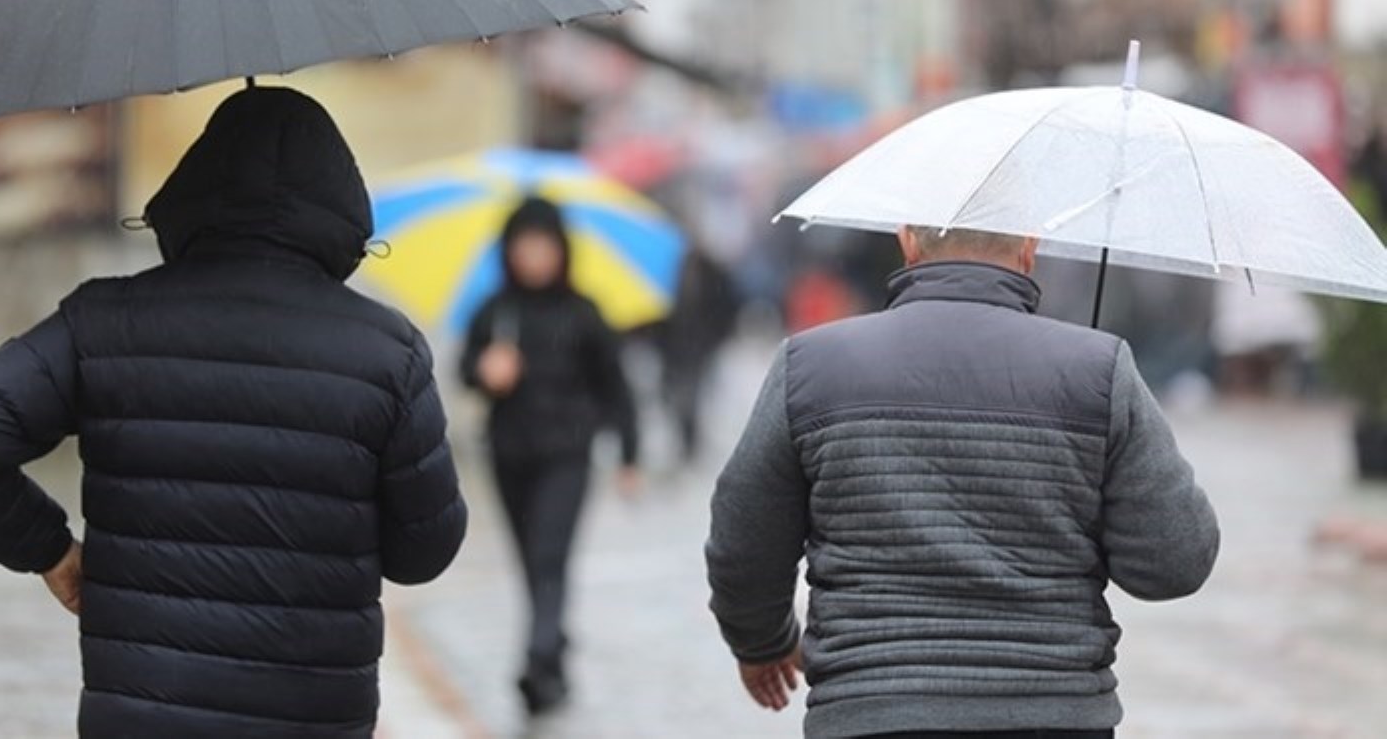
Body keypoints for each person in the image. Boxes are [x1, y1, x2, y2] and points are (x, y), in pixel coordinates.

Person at [0, 87, 468, 737]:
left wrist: (52, 551)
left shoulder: (105, 321)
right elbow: (423, 552)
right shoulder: (387, 353)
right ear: (341, 203)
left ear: (192, 190)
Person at [706, 225, 1220, 738]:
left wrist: (763, 644)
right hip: (1055, 712)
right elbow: (1174, 562)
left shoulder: (809, 364)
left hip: (870, 709)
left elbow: (743, 540)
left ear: (908, 243)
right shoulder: (1097, 368)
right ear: (1029, 247)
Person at [460, 195, 641, 715]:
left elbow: (617, 388)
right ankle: (553, 657)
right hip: (508, 454)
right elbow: (465, 370)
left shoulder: (583, 312)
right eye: (524, 245)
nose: (534, 255)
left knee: (548, 557)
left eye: (543, 245)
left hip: (568, 454)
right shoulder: (495, 311)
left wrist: (629, 456)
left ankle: (538, 657)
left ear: (561, 249)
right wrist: (485, 372)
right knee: (529, 562)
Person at [659, 240, 739, 460]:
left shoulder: (712, 274)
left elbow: (725, 309)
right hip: (676, 347)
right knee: (675, 396)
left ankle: (690, 443)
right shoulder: (669, 273)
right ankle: (686, 440)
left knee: (691, 396)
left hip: (698, 346)